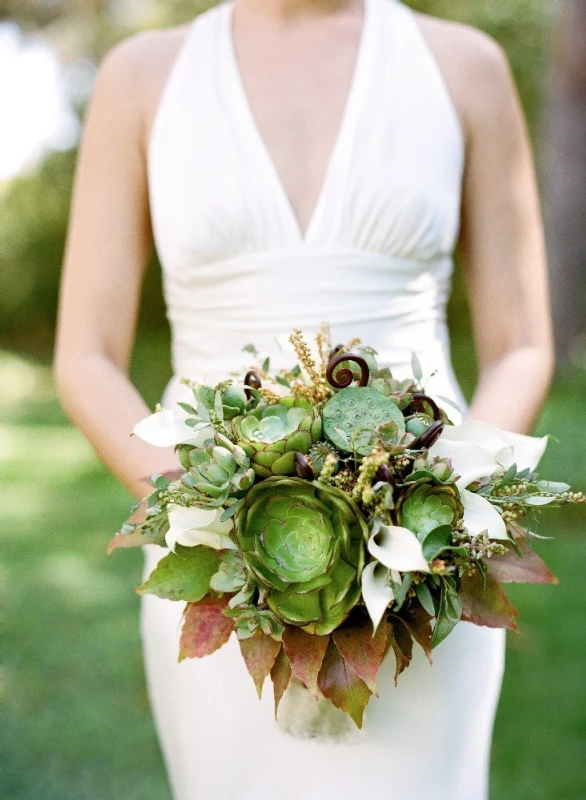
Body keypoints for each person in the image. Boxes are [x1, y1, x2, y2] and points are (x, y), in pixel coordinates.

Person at [54, 0, 554, 797]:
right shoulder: (142, 77)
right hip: (216, 560)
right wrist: (212, 528)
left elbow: (523, 343)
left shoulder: (464, 65)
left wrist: (449, 504)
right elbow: (84, 356)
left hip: (423, 556)